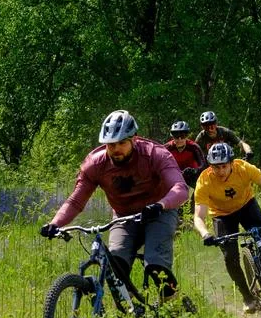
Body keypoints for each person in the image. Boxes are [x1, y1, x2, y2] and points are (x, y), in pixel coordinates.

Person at [40, 109, 188, 304]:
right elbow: (76, 201)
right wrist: (55, 223)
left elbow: (181, 189)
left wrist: (161, 204)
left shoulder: (155, 154)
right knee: (115, 266)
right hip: (124, 216)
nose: (116, 149)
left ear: (134, 139)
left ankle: (176, 312)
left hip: (159, 212)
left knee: (156, 266)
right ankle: (134, 317)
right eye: (111, 144)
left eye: (121, 143)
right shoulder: (95, 164)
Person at [192, 142, 261, 313]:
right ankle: (247, 296)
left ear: (232, 163)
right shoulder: (204, 181)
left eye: (223, 166)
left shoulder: (243, 168)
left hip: (246, 205)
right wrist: (205, 233)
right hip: (222, 215)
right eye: (215, 167)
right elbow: (198, 216)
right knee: (230, 256)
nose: (220, 171)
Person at [164, 120, 207, 222]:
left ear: (187, 135)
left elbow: (203, 164)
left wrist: (195, 171)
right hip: (174, 176)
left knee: (199, 187)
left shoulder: (193, 147)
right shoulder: (167, 148)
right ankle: (172, 214)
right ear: (172, 136)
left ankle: (192, 215)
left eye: (183, 136)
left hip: (191, 175)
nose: (179, 139)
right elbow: (159, 165)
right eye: (176, 136)